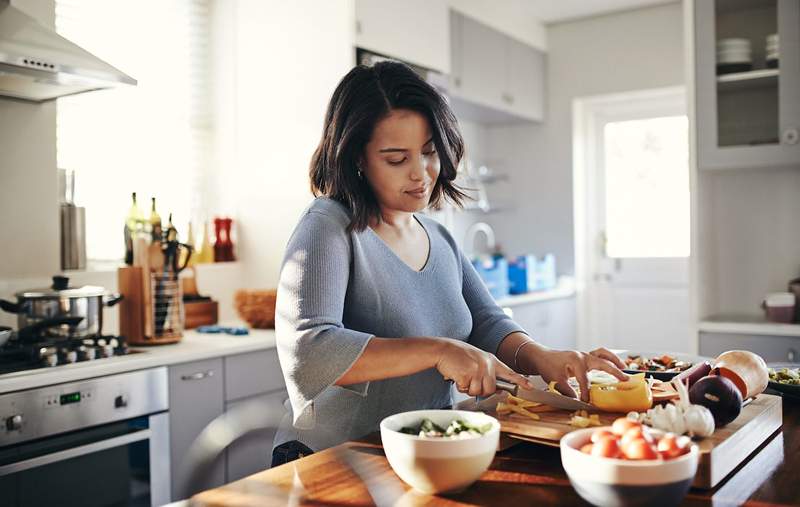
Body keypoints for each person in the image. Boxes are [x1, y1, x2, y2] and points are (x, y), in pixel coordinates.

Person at [272, 61, 627, 466]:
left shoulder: (437, 236)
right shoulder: (327, 227)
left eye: (428, 152)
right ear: (356, 157)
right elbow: (308, 349)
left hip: (418, 453)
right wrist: (438, 350)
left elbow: (487, 323)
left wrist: (541, 357)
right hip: (332, 457)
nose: (421, 173)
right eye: (395, 159)